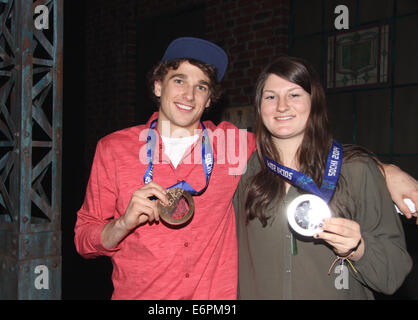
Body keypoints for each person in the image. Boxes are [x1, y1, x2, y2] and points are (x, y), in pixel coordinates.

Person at [75, 37, 417, 300]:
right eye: (179, 80)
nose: (189, 95)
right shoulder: (113, 149)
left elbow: (294, 144)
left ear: (210, 100)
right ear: (157, 86)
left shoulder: (234, 146)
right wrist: (120, 226)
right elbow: (84, 237)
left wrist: (384, 169)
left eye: (201, 87)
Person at [233, 56, 413, 299]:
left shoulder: (357, 170)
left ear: (314, 101)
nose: (282, 106)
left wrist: (359, 249)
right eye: (270, 97)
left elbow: (393, 274)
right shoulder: (242, 172)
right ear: (259, 107)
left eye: (294, 94)